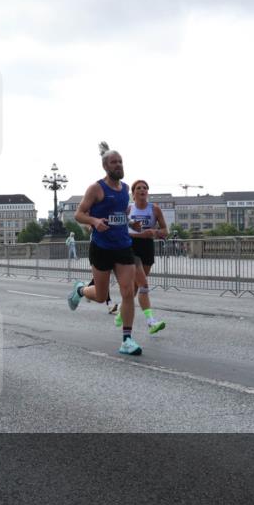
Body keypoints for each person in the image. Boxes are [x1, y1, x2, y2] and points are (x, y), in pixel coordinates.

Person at [66, 144, 142, 356]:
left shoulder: (125, 189)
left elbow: (121, 214)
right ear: (105, 166)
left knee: (128, 291)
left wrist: (132, 223)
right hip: (101, 246)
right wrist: (94, 220)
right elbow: (79, 214)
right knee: (101, 296)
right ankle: (80, 290)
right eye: (114, 162)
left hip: (123, 245)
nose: (118, 165)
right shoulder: (96, 189)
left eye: (120, 162)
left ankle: (127, 339)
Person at [117, 179, 168, 334]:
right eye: (138, 188)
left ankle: (121, 312)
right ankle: (151, 322)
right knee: (143, 284)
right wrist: (140, 235)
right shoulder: (128, 209)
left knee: (137, 285)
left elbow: (165, 230)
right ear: (133, 194)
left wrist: (156, 232)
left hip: (147, 247)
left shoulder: (155, 209)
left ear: (147, 192)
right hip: (131, 247)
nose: (142, 190)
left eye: (145, 188)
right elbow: (119, 230)